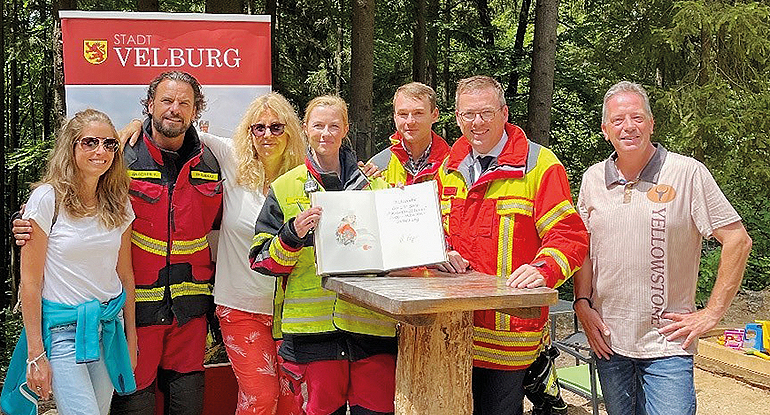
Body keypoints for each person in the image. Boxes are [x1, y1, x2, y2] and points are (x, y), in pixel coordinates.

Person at [120, 92, 306, 414]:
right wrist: (133, 126)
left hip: (292, 310)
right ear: (247, 131)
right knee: (261, 398)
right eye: (257, 127)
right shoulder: (233, 158)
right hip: (240, 306)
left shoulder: (306, 177)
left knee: (292, 402)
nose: (266, 135)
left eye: (276, 127)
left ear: (290, 130)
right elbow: (175, 129)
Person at [574, 81, 752, 415]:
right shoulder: (593, 179)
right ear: (605, 130)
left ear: (651, 124)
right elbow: (583, 248)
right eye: (618, 120)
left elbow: (738, 240)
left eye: (637, 117)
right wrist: (582, 304)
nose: (629, 126)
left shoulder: (686, 173)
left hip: (667, 343)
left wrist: (712, 314)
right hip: (609, 340)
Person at [435, 75, 588, 415]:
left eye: (486, 113)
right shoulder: (448, 167)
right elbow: (434, 230)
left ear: (504, 113)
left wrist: (543, 269)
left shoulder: (538, 164)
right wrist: (440, 251)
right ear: (458, 118)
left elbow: (570, 235)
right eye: (468, 115)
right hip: (453, 330)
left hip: (508, 334)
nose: (477, 123)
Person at [249, 95, 397, 415]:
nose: (325, 133)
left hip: (372, 331)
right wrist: (291, 235)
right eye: (318, 125)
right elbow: (261, 260)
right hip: (313, 337)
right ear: (305, 129)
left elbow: (398, 253)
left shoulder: (377, 187)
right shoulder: (286, 187)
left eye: (333, 126)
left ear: (345, 129)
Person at [1, 109, 137, 415]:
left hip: (108, 330)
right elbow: (31, 283)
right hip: (63, 334)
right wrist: (35, 354)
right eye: (89, 142)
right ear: (71, 147)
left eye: (109, 144)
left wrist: (132, 338)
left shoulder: (119, 202)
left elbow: (125, 275)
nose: (100, 151)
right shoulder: (47, 199)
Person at [367, 82, 450, 186]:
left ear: (434, 115)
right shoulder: (376, 167)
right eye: (403, 114)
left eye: (418, 113)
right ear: (395, 117)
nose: (410, 121)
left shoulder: (454, 164)